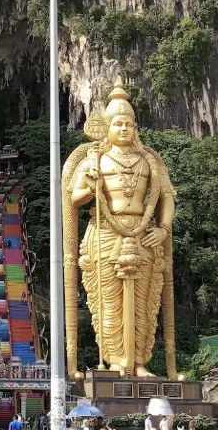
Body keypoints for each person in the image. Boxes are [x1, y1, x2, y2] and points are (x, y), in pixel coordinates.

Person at [63, 83, 179, 378]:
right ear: (106, 127)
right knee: (108, 302)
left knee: (143, 302)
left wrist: (164, 229)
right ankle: (115, 361)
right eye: (118, 123)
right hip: (104, 231)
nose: (124, 128)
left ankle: (139, 363)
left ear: (135, 127)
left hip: (143, 232)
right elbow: (74, 198)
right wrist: (91, 186)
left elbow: (166, 196)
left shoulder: (149, 160)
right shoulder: (94, 159)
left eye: (129, 123)